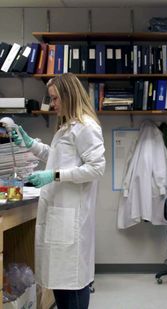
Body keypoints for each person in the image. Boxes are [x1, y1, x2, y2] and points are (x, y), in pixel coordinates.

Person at [13, 73, 105, 309]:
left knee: (72, 286)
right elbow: (56, 158)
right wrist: (31, 144)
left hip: (71, 220)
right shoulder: (67, 126)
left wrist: (53, 176)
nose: (52, 104)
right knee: (63, 287)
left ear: (69, 95)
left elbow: (96, 168)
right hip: (60, 217)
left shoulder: (86, 127)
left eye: (55, 99)